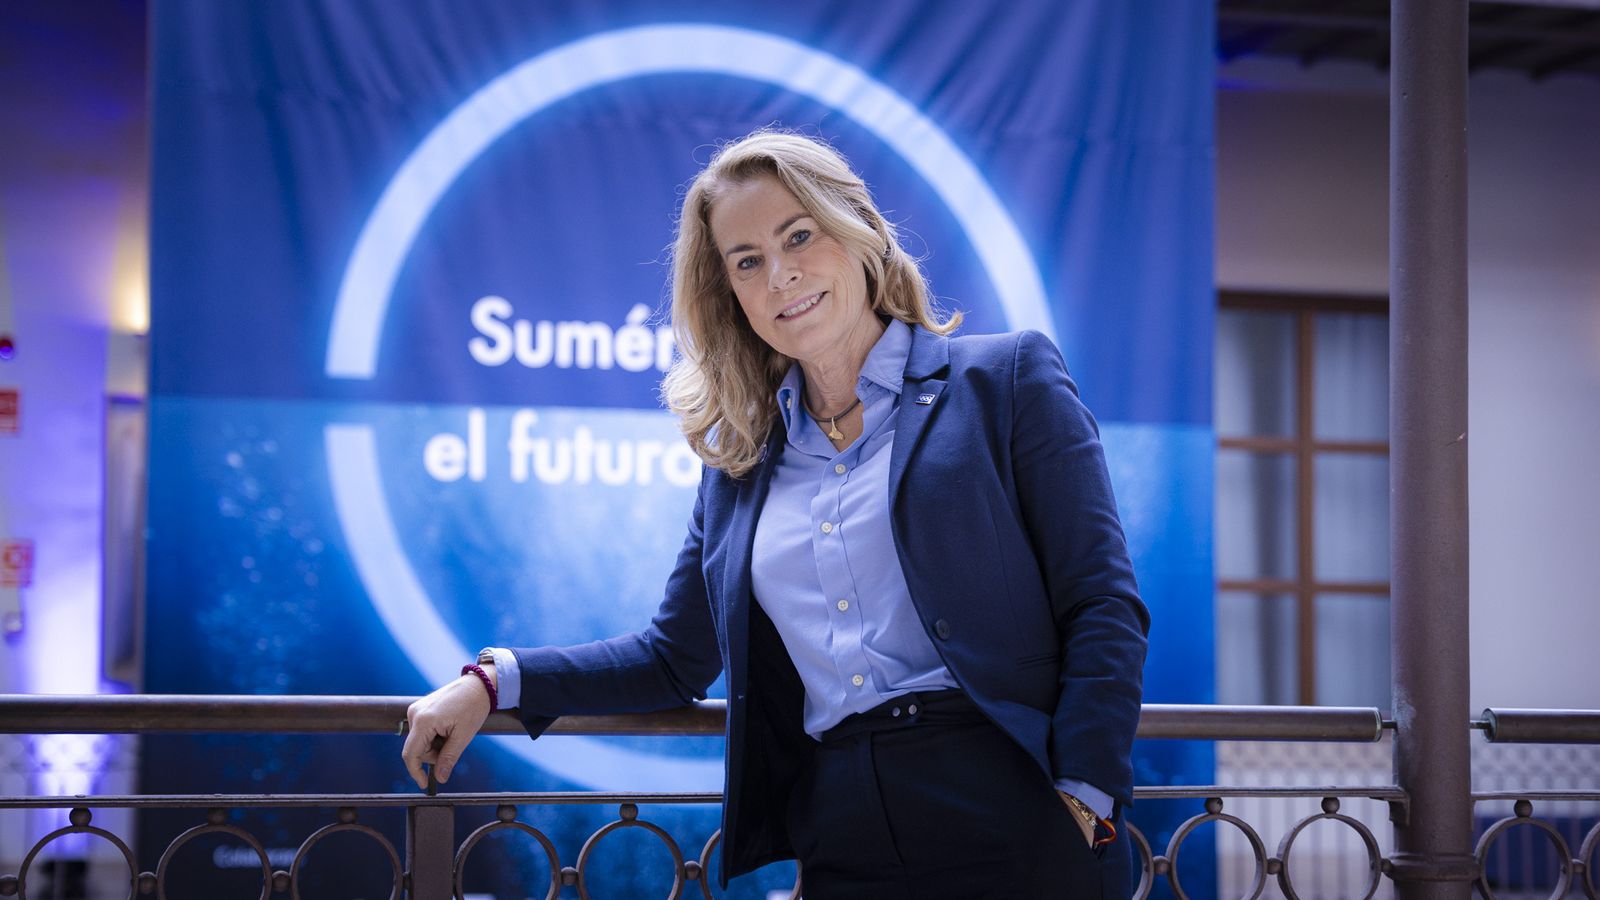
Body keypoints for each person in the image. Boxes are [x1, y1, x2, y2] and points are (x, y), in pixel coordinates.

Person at [401, 129, 1149, 899]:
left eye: (800, 236)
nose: (780, 274)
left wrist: (1085, 793)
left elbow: (1102, 602)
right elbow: (672, 657)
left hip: (1013, 804)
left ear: (860, 233)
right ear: (730, 292)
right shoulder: (741, 464)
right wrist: (494, 683)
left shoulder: (1008, 378)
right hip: (841, 822)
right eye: (747, 261)